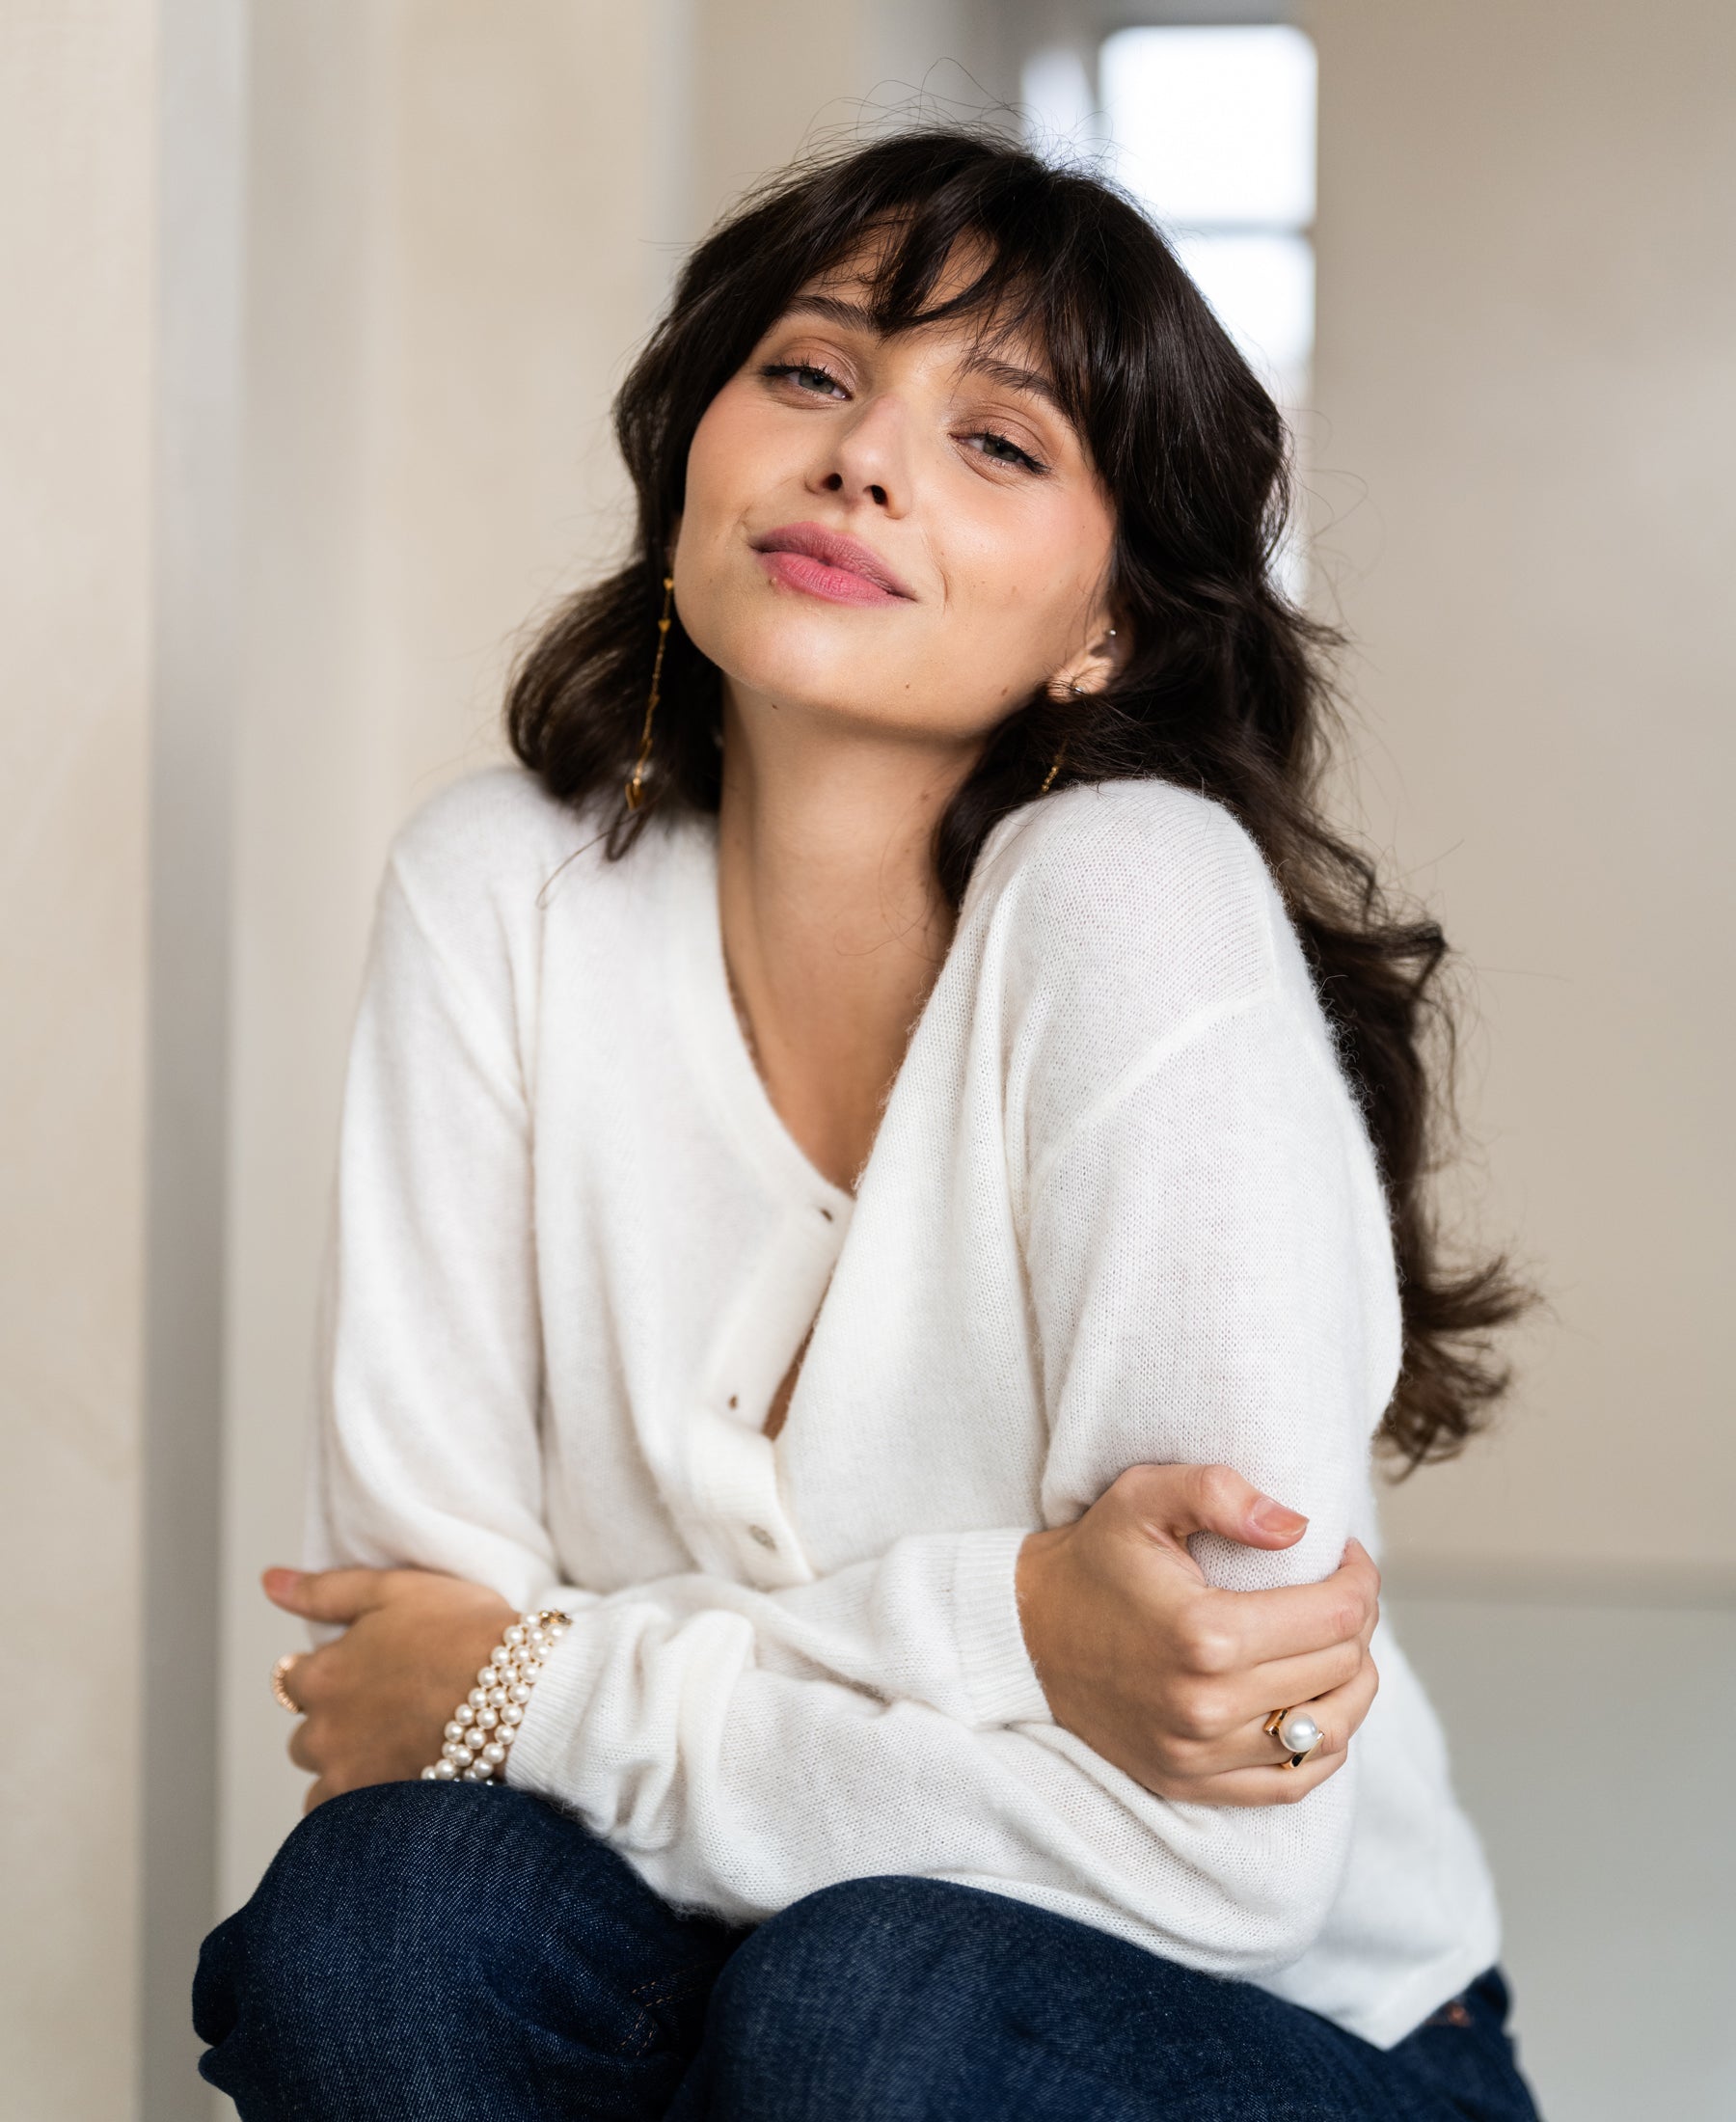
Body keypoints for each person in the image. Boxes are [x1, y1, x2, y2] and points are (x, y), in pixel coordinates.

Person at [194, 129, 1537, 2119]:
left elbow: (1216, 1855)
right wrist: (1017, 1629)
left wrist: (540, 1681)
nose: (863, 459)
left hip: (1272, 2042)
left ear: (1106, 624)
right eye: (811, 373)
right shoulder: (498, 890)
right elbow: (407, 1697)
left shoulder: (1136, 902)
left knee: (872, 2004)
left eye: (998, 442)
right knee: (378, 1927)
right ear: (692, 462)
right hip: (721, 1995)